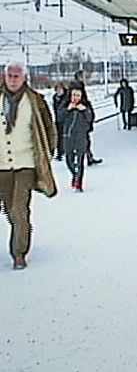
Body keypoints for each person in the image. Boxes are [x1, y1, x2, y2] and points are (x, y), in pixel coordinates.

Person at [0, 62, 57, 270]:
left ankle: (19, 253)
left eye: (17, 76)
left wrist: (46, 155)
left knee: (19, 210)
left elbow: (49, 129)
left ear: (24, 78)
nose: (13, 79)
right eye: (10, 75)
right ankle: (21, 231)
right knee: (8, 210)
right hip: (1, 166)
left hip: (26, 164)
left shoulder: (36, 101)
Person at [57, 84, 93, 192]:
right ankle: (75, 173)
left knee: (80, 160)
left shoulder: (86, 106)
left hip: (81, 137)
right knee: (69, 160)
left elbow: (91, 118)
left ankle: (79, 182)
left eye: (78, 95)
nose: (75, 98)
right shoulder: (65, 105)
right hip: (68, 137)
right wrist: (67, 109)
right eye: (74, 95)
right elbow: (59, 117)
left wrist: (85, 110)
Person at [72, 70, 102, 165]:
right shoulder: (78, 88)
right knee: (83, 140)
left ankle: (88, 157)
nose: (85, 78)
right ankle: (83, 158)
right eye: (83, 76)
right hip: (81, 117)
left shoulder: (78, 87)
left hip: (82, 116)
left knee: (84, 139)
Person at [52, 82, 67, 160]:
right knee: (59, 137)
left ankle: (67, 151)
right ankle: (59, 153)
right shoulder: (55, 98)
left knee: (66, 136)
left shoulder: (67, 97)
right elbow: (55, 109)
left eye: (60, 89)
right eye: (57, 90)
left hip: (66, 120)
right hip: (58, 120)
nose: (58, 91)